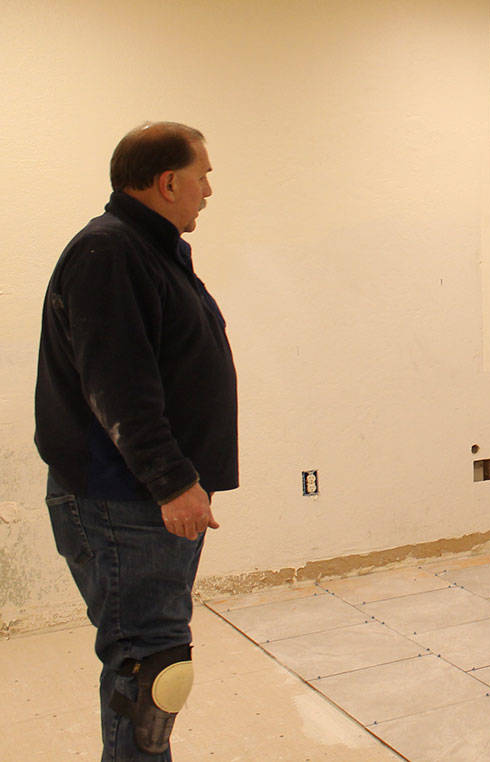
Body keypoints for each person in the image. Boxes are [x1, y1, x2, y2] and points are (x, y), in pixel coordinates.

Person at [34, 122, 238, 760]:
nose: (209, 189)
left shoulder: (147, 248)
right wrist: (173, 482)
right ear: (167, 181)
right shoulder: (112, 251)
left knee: (153, 663)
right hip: (124, 502)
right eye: (202, 175)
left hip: (138, 500)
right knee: (150, 670)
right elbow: (118, 388)